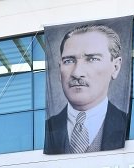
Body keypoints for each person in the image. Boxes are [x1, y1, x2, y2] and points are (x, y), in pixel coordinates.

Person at [44, 24, 128, 154]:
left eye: (92, 59)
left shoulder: (131, 125)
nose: (77, 73)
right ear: (59, 69)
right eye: (69, 61)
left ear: (115, 67)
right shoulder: (44, 130)